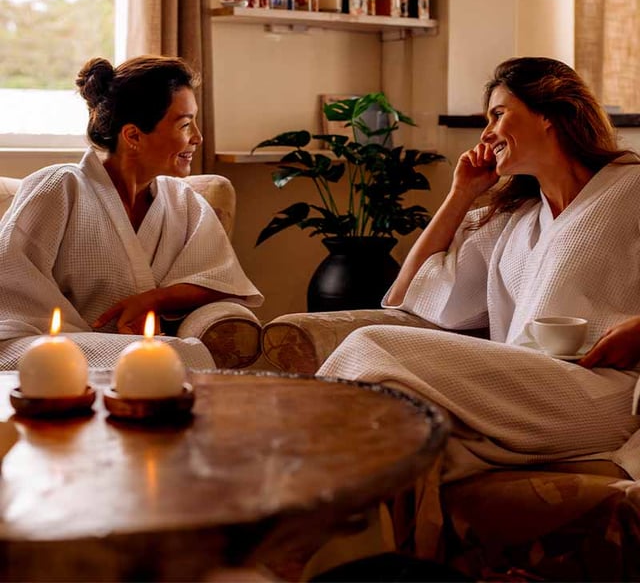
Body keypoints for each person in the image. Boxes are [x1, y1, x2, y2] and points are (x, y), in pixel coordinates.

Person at [317, 57, 640, 549]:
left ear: (550, 113)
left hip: (605, 395)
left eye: (498, 114)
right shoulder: (515, 219)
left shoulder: (630, 186)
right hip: (529, 389)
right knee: (397, 423)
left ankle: (281, 455)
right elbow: (407, 298)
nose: (487, 132)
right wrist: (462, 194)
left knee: (370, 344)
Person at [0, 55, 263, 371]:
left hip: (126, 349)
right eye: (184, 124)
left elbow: (220, 279)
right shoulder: (59, 186)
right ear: (133, 136)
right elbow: (9, 286)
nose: (197, 137)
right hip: (36, 343)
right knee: (173, 358)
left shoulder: (184, 202)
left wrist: (152, 299)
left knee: (173, 356)